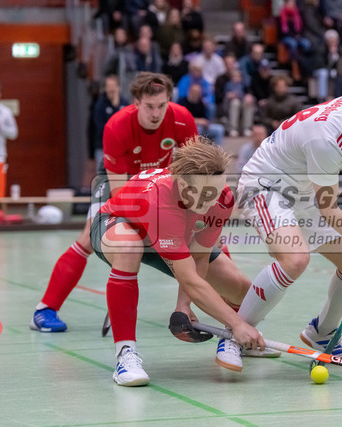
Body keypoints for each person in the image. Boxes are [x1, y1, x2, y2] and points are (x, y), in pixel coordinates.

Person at [215, 80, 342, 371]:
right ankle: (234, 334)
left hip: (304, 189)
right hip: (266, 185)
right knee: (295, 258)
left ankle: (322, 333)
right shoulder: (328, 140)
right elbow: (330, 210)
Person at [30, 72, 228, 337]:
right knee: (90, 236)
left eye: (162, 105)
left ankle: (228, 304)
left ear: (170, 100)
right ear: (136, 103)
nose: (156, 113)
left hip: (160, 181)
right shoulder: (117, 126)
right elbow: (121, 195)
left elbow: (194, 169)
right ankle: (45, 309)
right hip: (122, 182)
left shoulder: (182, 118)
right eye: (149, 107)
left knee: (208, 235)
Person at [90, 138, 266, 385]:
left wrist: (183, 306)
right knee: (129, 248)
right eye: (204, 194)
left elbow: (200, 256)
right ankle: (125, 355)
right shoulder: (161, 202)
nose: (212, 200)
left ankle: (232, 340)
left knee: (241, 289)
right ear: (182, 184)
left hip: (172, 233)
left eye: (216, 192)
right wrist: (236, 322)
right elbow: (190, 279)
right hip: (118, 222)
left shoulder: (221, 199)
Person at [92, 75, 129, 170]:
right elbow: (101, 127)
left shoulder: (125, 103)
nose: (112, 89)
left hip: (123, 148)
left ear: (119, 87)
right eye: (109, 86)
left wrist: (116, 105)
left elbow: (128, 126)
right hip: (103, 148)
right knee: (103, 174)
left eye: (114, 86)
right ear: (105, 88)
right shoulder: (100, 105)